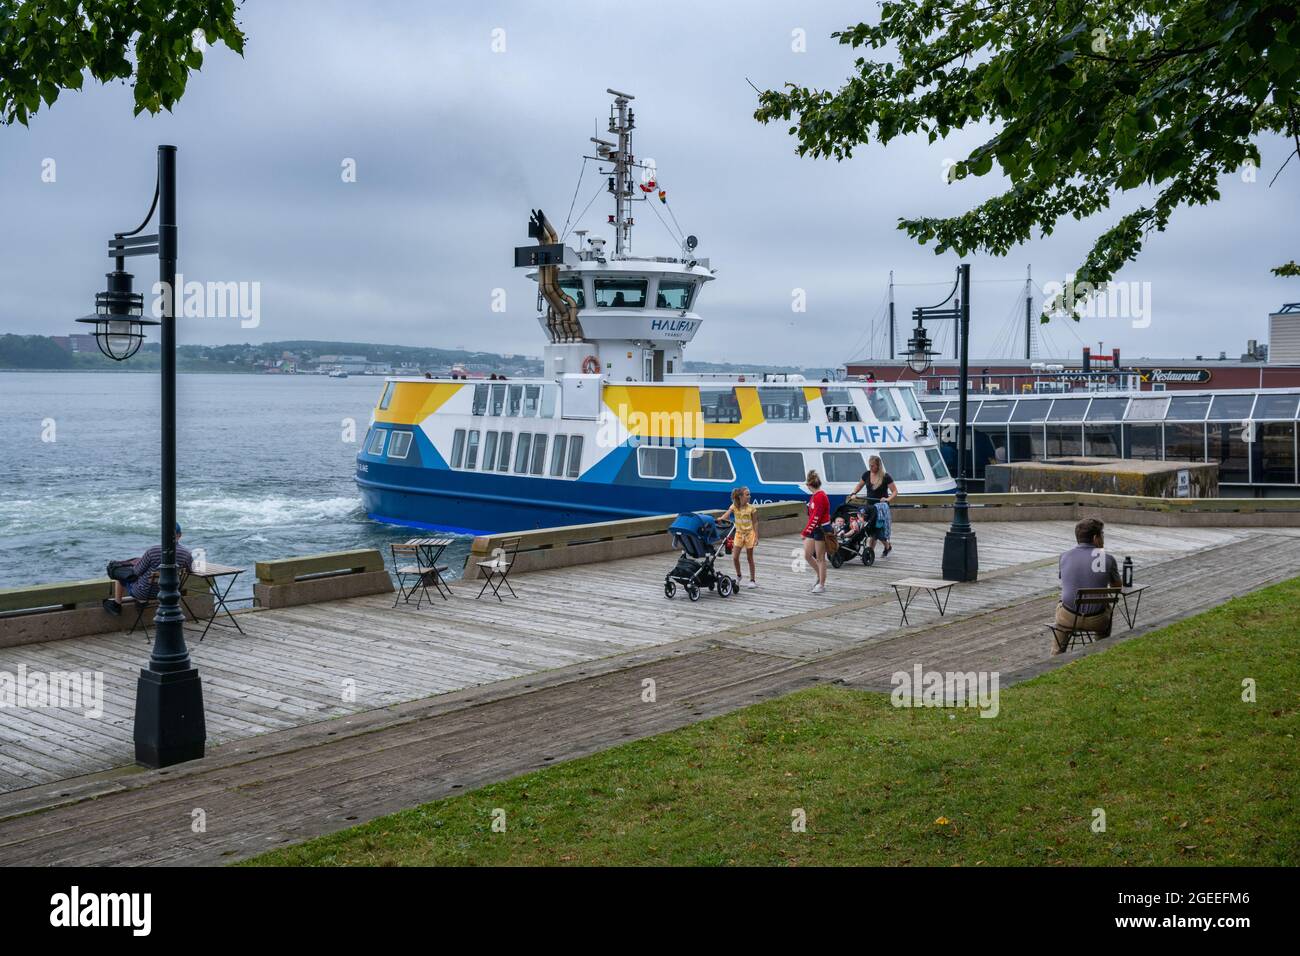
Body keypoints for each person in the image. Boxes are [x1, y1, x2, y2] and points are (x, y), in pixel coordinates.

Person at [1053, 517, 1122, 654]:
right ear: (1096, 538)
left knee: (1061, 607)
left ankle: (1056, 653)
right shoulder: (1106, 558)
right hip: (1097, 621)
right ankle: (1100, 648)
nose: (1103, 537)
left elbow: (1067, 580)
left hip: (1068, 619)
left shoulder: (1064, 556)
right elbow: (1117, 588)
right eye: (1102, 534)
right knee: (1106, 607)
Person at [103, 523, 194, 616]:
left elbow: (136, 572)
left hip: (144, 593)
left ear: (163, 533)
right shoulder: (186, 553)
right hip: (171, 593)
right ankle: (140, 603)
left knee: (120, 575)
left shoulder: (152, 551)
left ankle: (117, 604)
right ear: (180, 535)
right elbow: (190, 570)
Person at [851, 455, 898, 558]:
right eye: (869, 465)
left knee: (876, 529)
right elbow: (859, 486)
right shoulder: (866, 474)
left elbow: (895, 492)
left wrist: (887, 499)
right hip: (870, 506)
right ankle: (885, 547)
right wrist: (853, 493)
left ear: (878, 466)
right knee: (871, 529)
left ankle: (871, 551)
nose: (870, 468)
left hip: (881, 508)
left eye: (872, 466)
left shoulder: (886, 476)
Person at [721, 486, 759, 588]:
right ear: (741, 496)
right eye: (747, 494)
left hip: (749, 534)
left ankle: (752, 580)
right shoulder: (734, 506)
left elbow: (755, 522)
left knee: (749, 557)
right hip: (738, 534)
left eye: (749, 494)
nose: (749, 496)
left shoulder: (752, 509)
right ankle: (739, 575)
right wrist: (720, 519)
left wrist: (756, 537)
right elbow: (727, 514)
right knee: (735, 557)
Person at [802, 470, 829, 593]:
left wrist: (806, 531)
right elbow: (811, 516)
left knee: (820, 558)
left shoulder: (820, 496)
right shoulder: (814, 496)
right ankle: (819, 574)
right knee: (807, 555)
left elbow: (816, 517)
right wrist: (807, 531)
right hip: (814, 529)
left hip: (821, 529)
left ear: (808, 485)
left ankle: (822, 584)